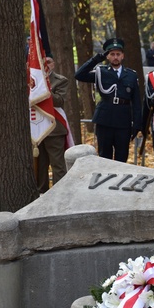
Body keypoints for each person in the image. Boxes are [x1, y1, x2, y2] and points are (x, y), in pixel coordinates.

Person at [75, 38, 143, 162]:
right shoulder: (101, 72)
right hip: (105, 120)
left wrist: (137, 124)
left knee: (121, 158)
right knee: (104, 157)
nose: (115, 57)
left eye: (118, 54)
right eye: (112, 54)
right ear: (108, 56)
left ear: (123, 56)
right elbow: (79, 75)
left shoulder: (131, 75)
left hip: (123, 121)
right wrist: (97, 59)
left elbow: (136, 101)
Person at [36, 56, 70, 192]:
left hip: (54, 128)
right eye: (42, 61)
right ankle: (40, 193)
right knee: (39, 166)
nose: (45, 64)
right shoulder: (30, 80)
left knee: (58, 165)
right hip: (36, 129)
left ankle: (59, 193)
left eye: (48, 62)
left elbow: (59, 101)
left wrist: (43, 88)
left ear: (53, 65)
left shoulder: (60, 81)